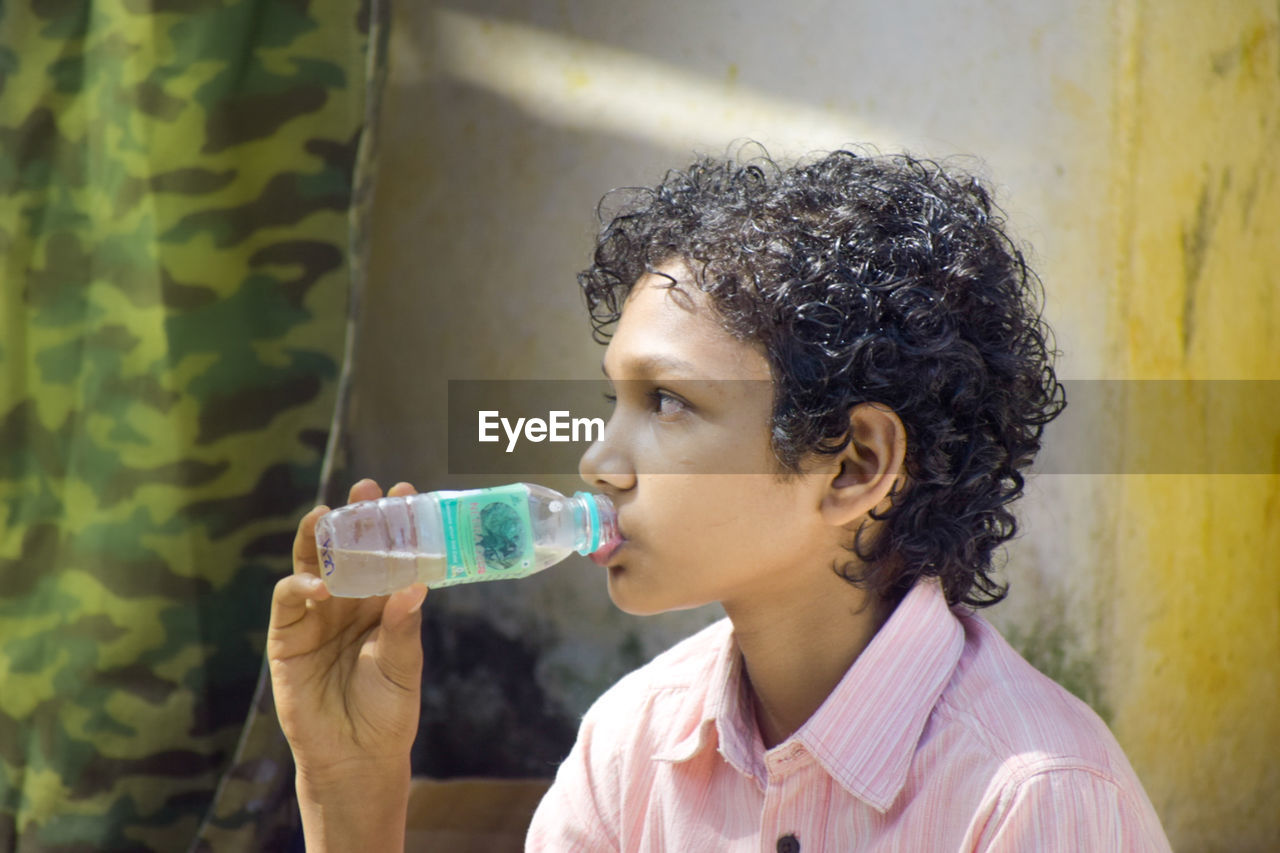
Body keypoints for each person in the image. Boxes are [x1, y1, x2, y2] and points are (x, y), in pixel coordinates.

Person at [268, 149, 1173, 851]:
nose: (599, 461)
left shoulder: (1033, 799)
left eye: (667, 401)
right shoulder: (632, 744)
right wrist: (350, 788)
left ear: (856, 464)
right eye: (611, 401)